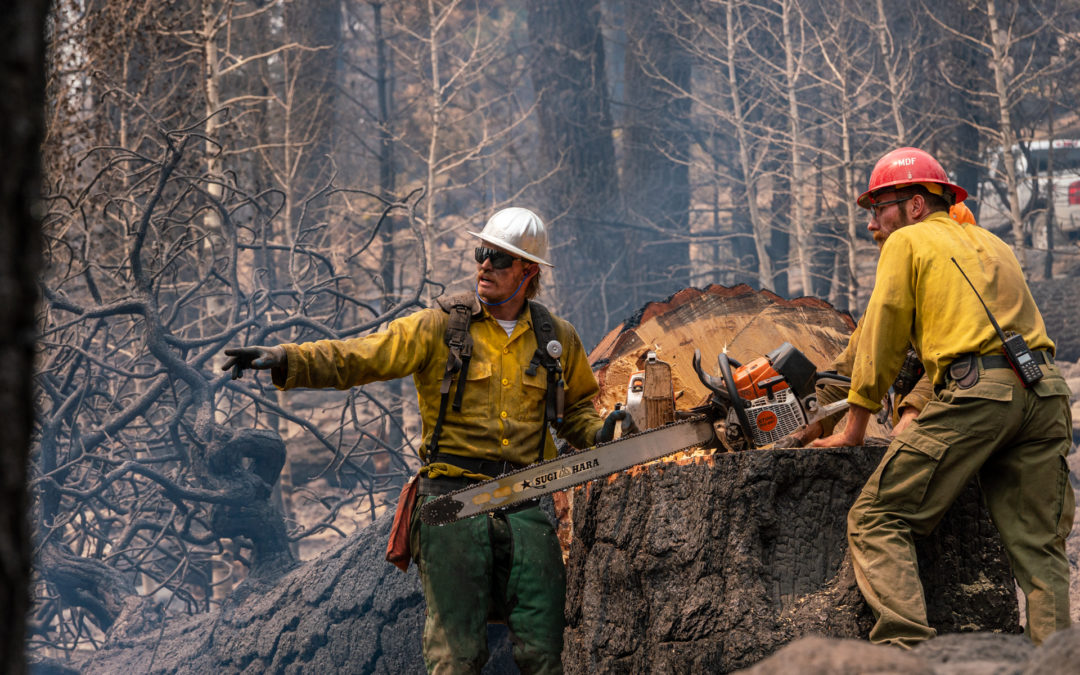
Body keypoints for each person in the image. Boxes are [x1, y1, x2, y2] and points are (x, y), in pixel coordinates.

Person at [222, 207, 606, 673]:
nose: (484, 264)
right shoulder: (441, 326)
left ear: (528, 271)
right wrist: (285, 358)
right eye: (481, 253)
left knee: (546, 651)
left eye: (498, 258)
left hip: (525, 505)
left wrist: (612, 433)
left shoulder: (556, 339)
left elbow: (578, 415)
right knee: (456, 654)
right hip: (450, 502)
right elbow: (360, 356)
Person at [810, 147, 1074, 648]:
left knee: (877, 518)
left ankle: (905, 655)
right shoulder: (993, 243)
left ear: (914, 205)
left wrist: (854, 428)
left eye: (878, 208)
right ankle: (1059, 662)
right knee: (1041, 551)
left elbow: (882, 336)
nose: (872, 225)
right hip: (1045, 392)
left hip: (981, 398)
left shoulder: (907, 243)